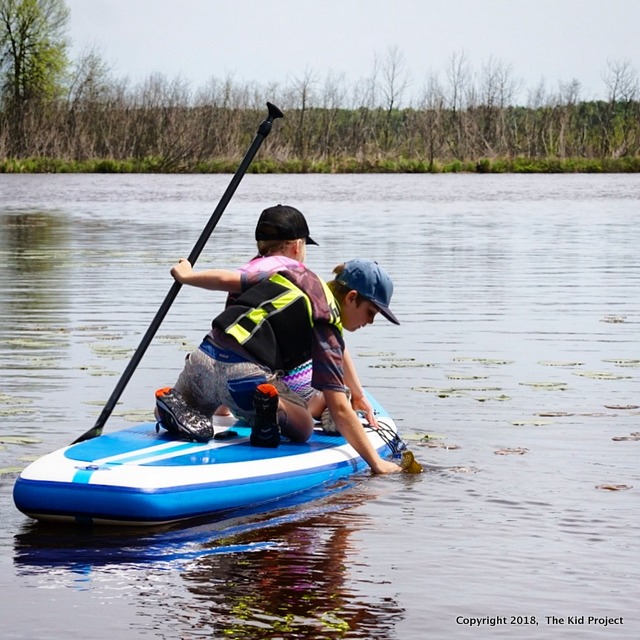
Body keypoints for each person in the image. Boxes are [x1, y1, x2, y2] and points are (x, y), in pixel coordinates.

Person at [158, 255, 402, 474]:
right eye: (372, 312)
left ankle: (167, 407)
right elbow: (338, 408)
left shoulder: (294, 274)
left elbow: (227, 279)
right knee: (304, 424)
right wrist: (377, 464)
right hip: (243, 378)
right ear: (351, 298)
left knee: (187, 407)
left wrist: (186, 275)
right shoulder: (327, 323)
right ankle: (272, 412)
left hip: (204, 356)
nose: (370, 321)